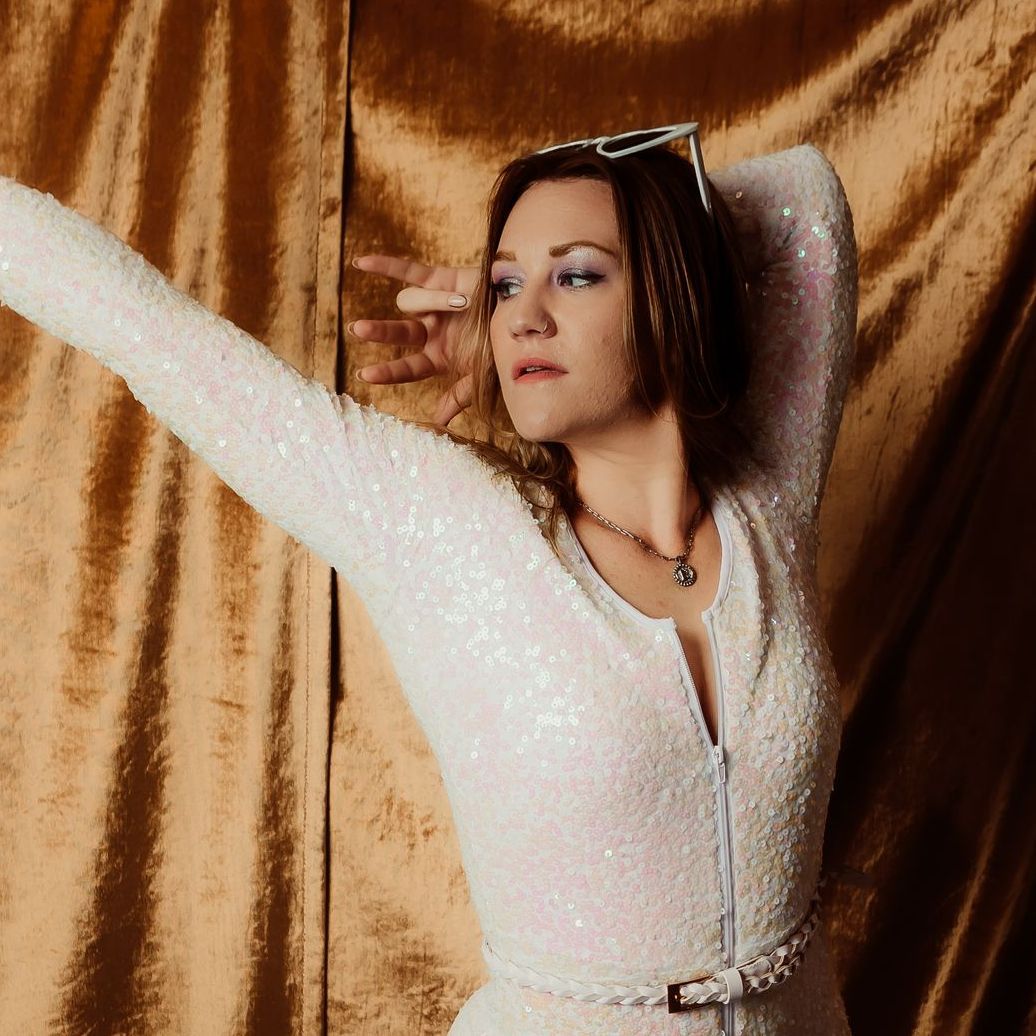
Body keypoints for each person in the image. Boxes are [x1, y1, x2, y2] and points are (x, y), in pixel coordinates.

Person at [0, 122, 858, 1034]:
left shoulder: (768, 501)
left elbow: (803, 201)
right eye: (502, 286)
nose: (524, 314)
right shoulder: (445, 521)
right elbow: (153, 336)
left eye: (575, 275)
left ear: (674, 292)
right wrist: (541, 290)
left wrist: (645, 217)